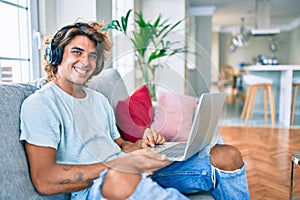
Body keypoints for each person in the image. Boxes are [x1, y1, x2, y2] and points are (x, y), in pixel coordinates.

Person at [20, 21, 250, 200]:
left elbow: (120, 146)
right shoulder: (41, 104)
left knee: (226, 154)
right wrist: (121, 165)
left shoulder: (98, 100)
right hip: (99, 187)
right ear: (56, 55)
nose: (86, 61)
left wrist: (143, 146)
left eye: (92, 55)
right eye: (77, 52)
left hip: (132, 170)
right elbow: (44, 179)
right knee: (121, 177)